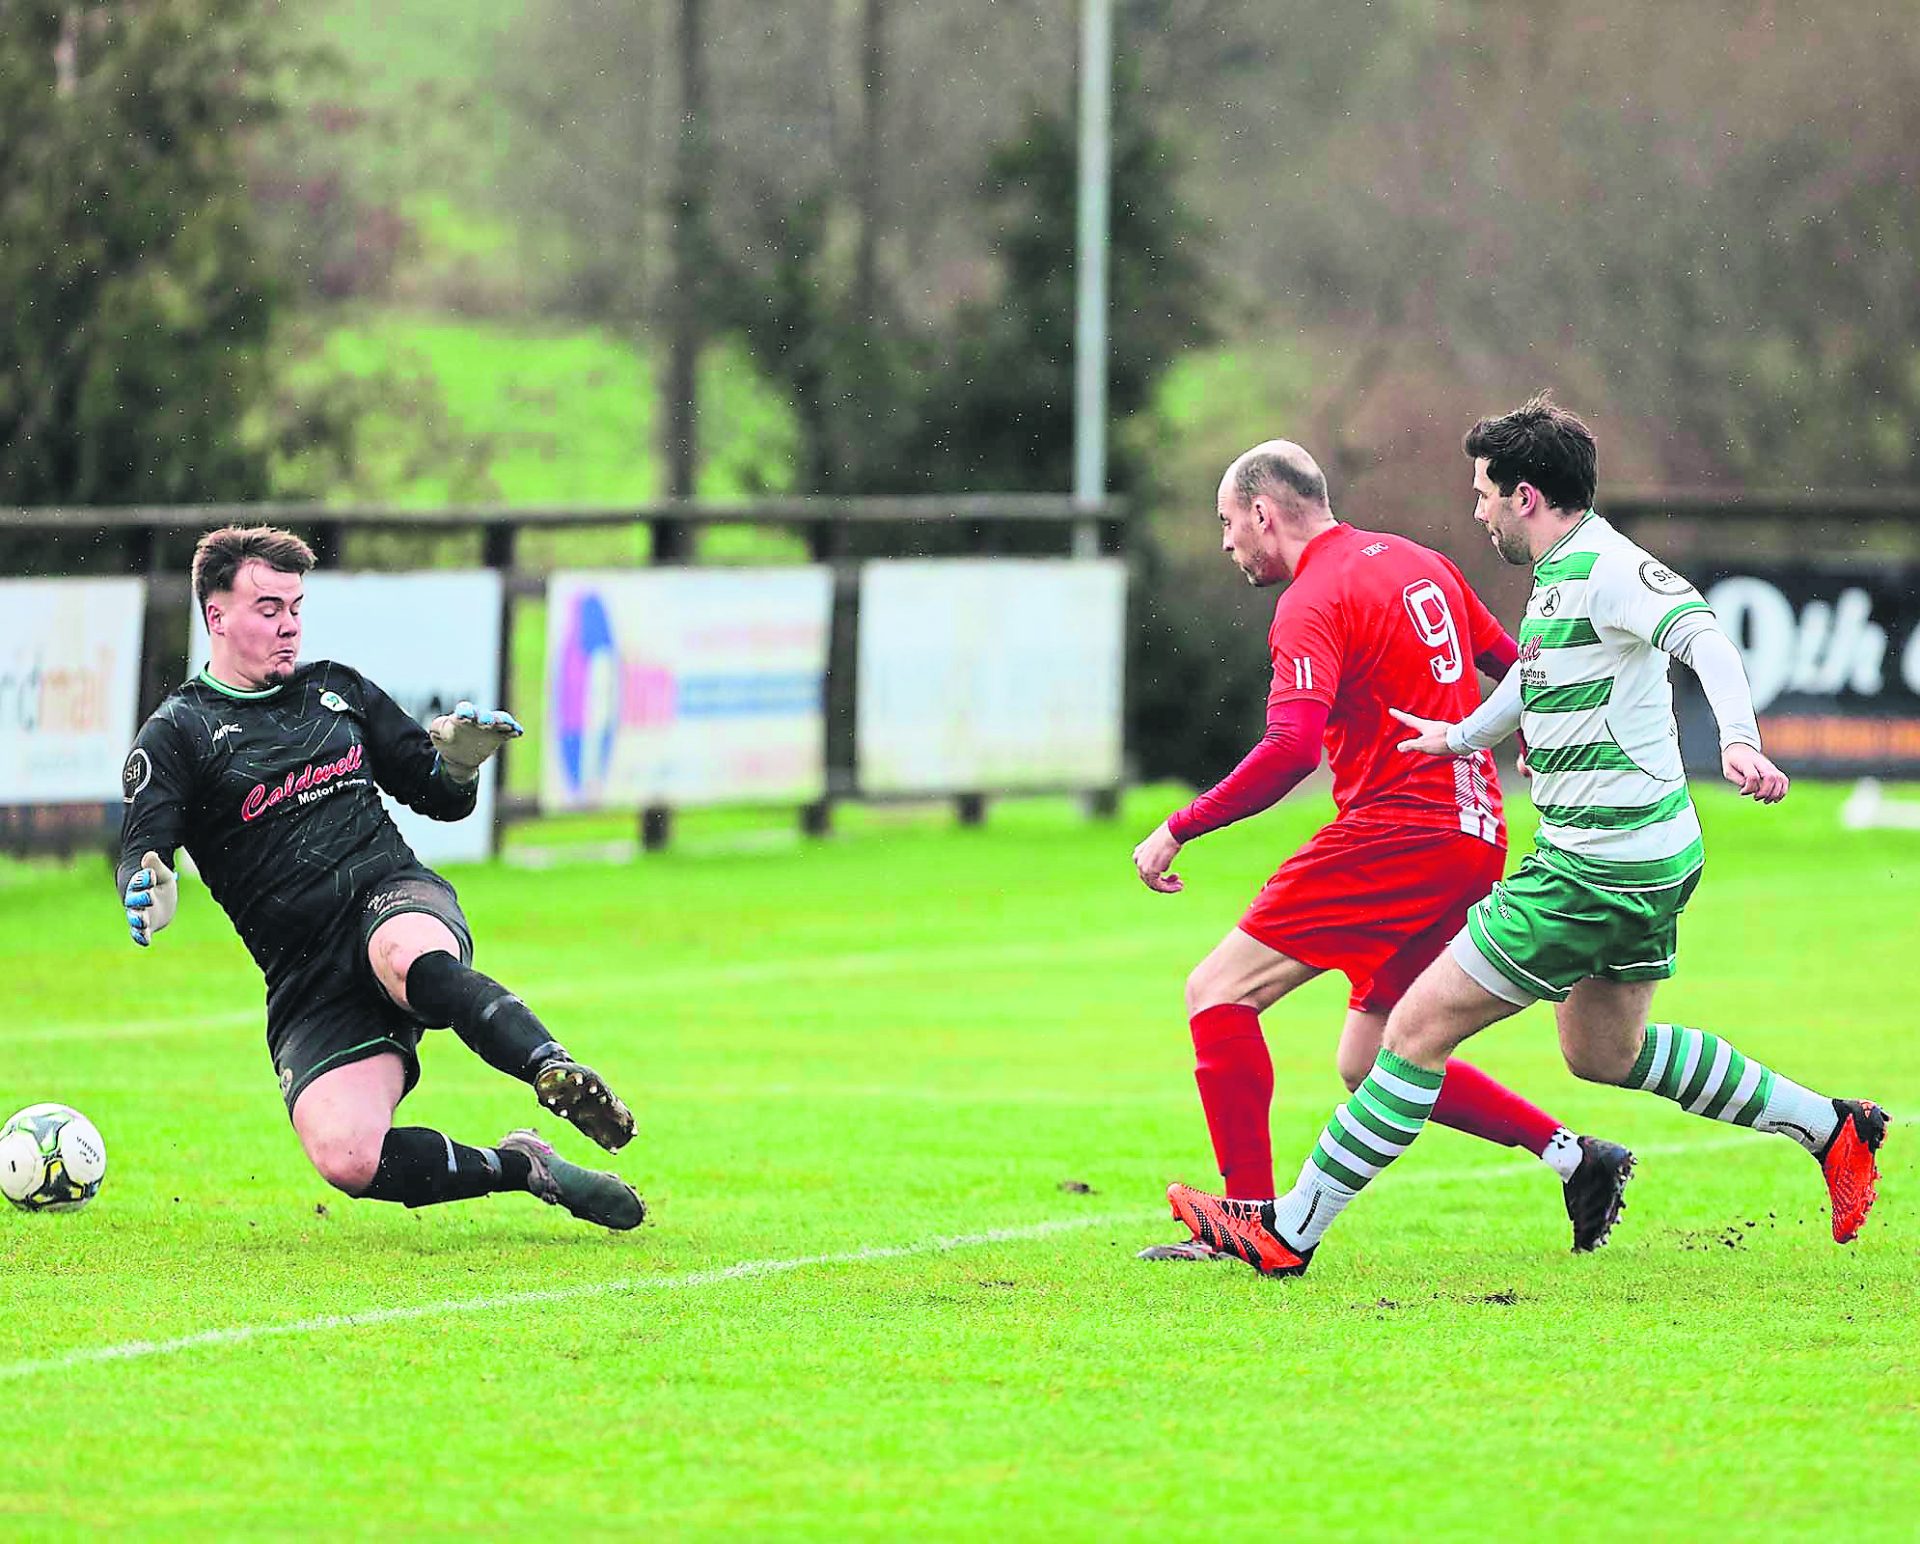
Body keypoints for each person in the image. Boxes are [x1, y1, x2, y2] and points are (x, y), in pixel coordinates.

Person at [1170, 396, 1887, 1276]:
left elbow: (1704, 636)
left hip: (1590, 869)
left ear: (1526, 496)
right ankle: (1831, 1127)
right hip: (1647, 858)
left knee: (1411, 1033)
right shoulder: (1555, 574)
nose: (1476, 510)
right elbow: (1530, 673)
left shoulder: (1606, 568)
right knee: (1605, 1053)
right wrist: (1461, 736)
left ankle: (1287, 1232)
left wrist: (1738, 739)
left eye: (1484, 493)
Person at [1132, 440, 1633, 1261]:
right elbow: (1516, 667)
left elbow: (1290, 749)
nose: (1226, 543)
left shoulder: (1312, 598)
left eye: (1227, 522)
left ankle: (1248, 1221)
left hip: (1400, 829)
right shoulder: (1417, 560)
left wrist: (1179, 826)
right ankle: (1574, 1158)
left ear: (1262, 512)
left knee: (1218, 991)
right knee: (1374, 1058)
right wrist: (1545, 744)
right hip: (1475, 834)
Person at [118, 525, 643, 1231]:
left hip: (391, 897)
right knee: (348, 1158)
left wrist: (459, 764)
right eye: (269, 609)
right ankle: (524, 1167)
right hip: (306, 974)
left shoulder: (336, 690)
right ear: (216, 615)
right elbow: (143, 849)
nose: (289, 626)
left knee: (402, 954)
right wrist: (147, 884)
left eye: (295, 608)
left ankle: (551, 1067)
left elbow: (439, 797)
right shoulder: (177, 733)